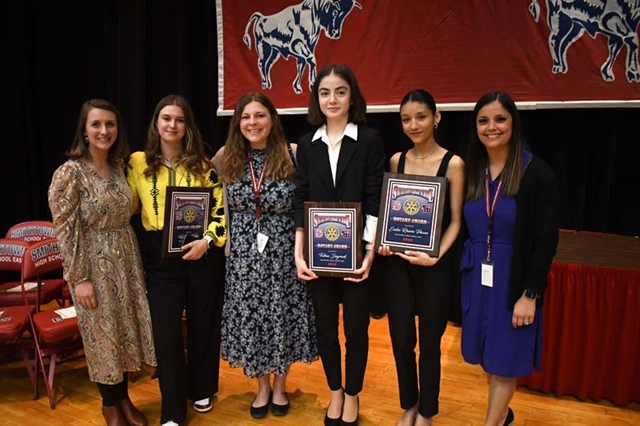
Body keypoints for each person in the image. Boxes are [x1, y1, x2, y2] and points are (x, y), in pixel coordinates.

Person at [48, 99, 156, 426]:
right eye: (96, 124)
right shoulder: (71, 173)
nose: (104, 131)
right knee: (101, 336)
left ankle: (123, 399)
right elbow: (65, 231)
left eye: (110, 124)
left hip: (125, 258)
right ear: (84, 129)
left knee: (123, 333)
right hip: (91, 263)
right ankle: (109, 405)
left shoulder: (122, 166)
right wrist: (79, 278)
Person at [213, 92, 318, 419]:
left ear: (272, 120)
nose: (253, 123)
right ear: (237, 122)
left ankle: (280, 386)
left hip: (286, 255)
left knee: (282, 318)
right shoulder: (225, 157)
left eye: (260, 116)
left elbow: (310, 202)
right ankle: (261, 387)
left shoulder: (294, 155)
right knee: (252, 320)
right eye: (246, 117)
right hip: (243, 258)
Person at [293, 63, 387, 426]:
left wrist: (369, 252)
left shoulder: (369, 140)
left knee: (356, 331)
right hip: (317, 256)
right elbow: (302, 198)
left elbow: (375, 197)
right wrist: (298, 252)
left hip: (356, 257)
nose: (332, 99)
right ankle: (334, 391)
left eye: (340, 91)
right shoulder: (306, 144)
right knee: (325, 328)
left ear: (352, 97)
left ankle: (352, 395)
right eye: (325, 92)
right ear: (317, 99)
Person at [460, 91, 560, 426]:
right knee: (489, 357)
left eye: (500, 119)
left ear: (514, 122)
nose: (492, 127)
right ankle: (502, 417)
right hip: (479, 278)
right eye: (483, 120)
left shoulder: (536, 173)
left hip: (512, 281)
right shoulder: (472, 171)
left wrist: (530, 294)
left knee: (504, 360)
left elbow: (546, 242)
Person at [127, 94, 226, 426]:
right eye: (166, 118)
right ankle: (172, 407)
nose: (172, 125)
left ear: (187, 126)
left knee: (203, 323)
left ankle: (201, 388)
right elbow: (128, 208)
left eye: (179, 120)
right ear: (157, 123)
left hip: (200, 253)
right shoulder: (137, 163)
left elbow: (220, 212)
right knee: (166, 332)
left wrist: (208, 240)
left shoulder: (203, 164)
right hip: (160, 255)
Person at [377, 90, 465, 426]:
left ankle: (427, 411)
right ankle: (409, 404)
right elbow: (391, 216)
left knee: (430, 344)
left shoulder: (453, 163)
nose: (413, 124)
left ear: (436, 117)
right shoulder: (397, 160)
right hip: (398, 265)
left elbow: (456, 220)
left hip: (433, 267)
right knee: (401, 340)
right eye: (406, 119)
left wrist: (437, 256)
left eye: (421, 116)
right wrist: (383, 243)